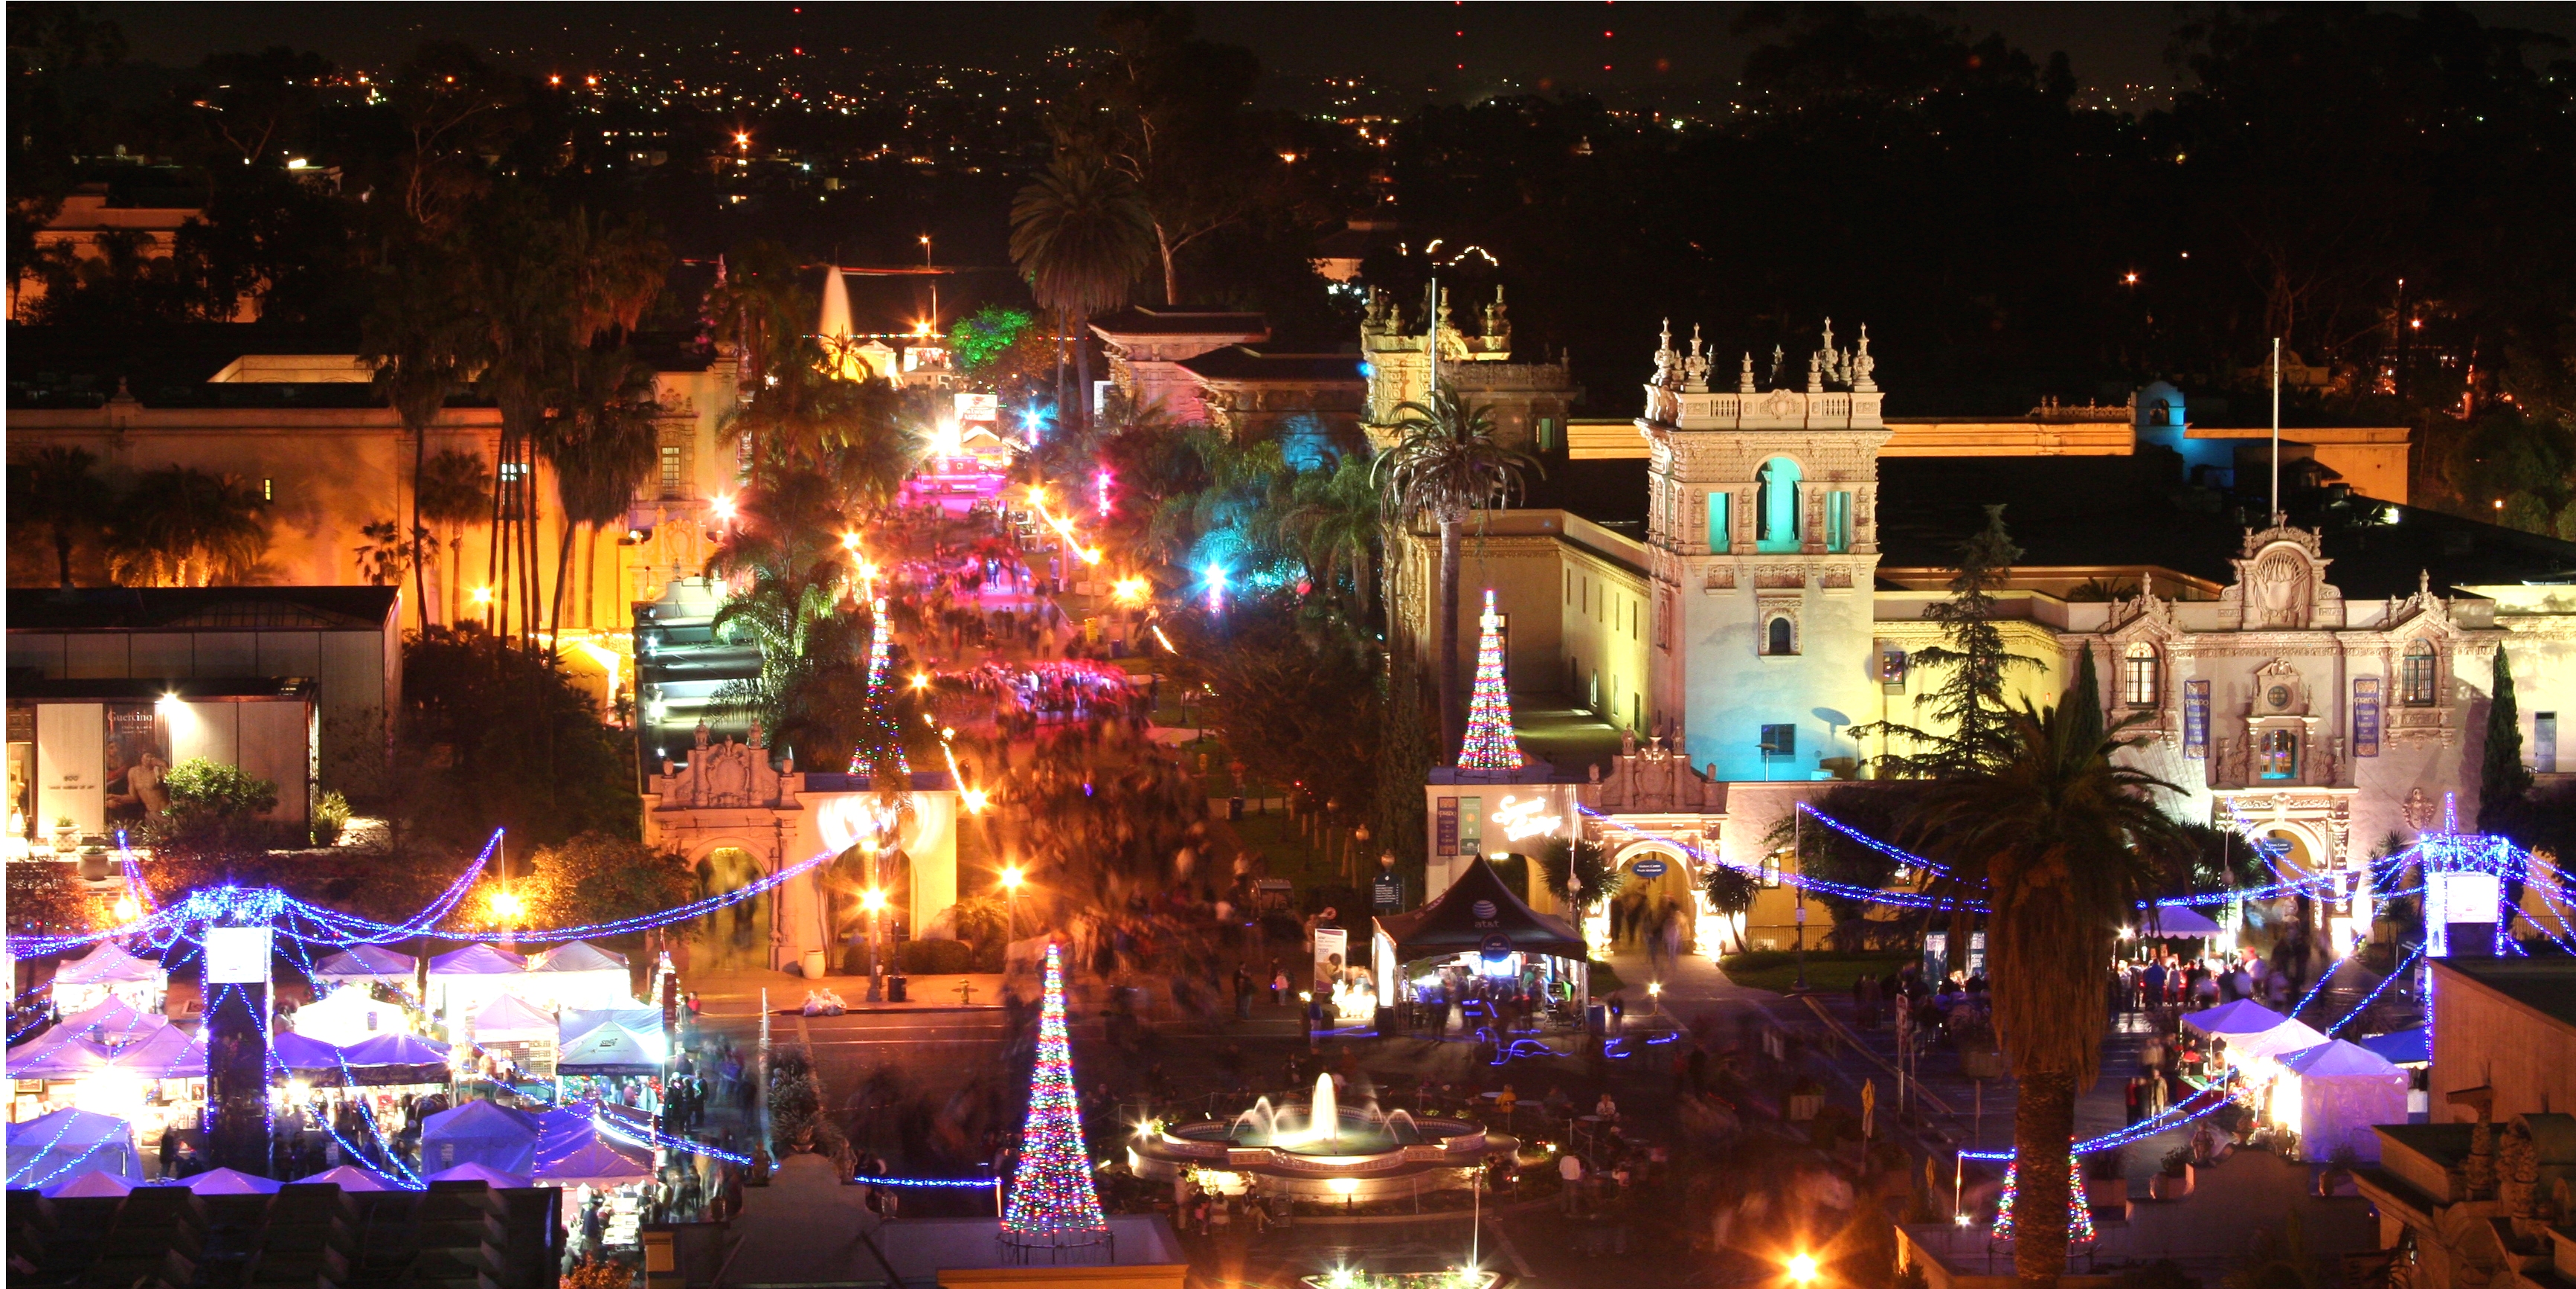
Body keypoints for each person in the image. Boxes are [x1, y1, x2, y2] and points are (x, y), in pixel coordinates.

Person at [1558, 1149, 1586, 1215]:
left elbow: (1560, 1168)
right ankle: (1573, 1209)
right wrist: (1577, 1177)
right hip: (1573, 1179)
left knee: (1564, 1194)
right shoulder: (1575, 1160)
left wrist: (1564, 1174)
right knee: (1573, 1195)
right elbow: (1577, 1171)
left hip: (1565, 1179)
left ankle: (1563, 1208)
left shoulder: (1563, 1159)